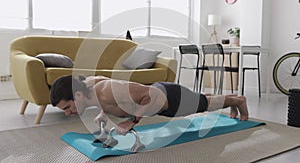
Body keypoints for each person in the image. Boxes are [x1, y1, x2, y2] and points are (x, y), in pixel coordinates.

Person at [50, 75, 249, 135]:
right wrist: (103, 114)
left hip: (169, 98)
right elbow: (117, 101)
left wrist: (132, 121)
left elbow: (153, 94)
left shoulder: (107, 89)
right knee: (202, 99)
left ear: (77, 95)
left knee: (205, 104)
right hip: (163, 94)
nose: (68, 113)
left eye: (67, 107)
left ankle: (239, 101)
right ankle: (232, 100)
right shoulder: (90, 88)